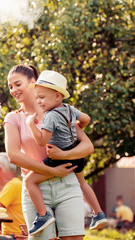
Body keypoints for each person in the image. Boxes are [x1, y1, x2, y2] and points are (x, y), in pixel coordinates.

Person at [4, 64, 95, 240]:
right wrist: (51, 171)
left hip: (66, 185)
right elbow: (13, 155)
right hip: (36, 189)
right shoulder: (13, 118)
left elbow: (87, 146)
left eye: (17, 84)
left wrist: (63, 155)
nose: (13, 90)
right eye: (10, 87)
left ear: (33, 82)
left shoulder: (59, 112)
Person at [24, 70, 108, 235]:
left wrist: (30, 125)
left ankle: (43, 215)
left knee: (29, 182)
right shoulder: (69, 109)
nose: (39, 101)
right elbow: (86, 119)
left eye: (42, 97)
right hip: (76, 154)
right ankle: (98, 213)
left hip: (59, 158)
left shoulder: (50, 116)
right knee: (82, 183)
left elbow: (41, 141)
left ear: (57, 96)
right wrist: (74, 129)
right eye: (37, 97)